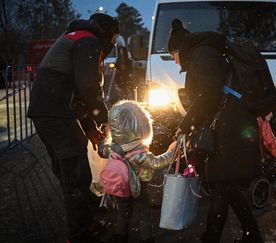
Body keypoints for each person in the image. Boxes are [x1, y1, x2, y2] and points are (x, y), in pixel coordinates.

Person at [168, 19, 264, 243]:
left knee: (221, 184)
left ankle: (212, 238)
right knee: (226, 185)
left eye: (173, 56)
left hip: (229, 129)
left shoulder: (202, 55)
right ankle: (252, 235)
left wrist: (184, 126)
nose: (174, 62)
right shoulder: (206, 52)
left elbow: (209, 96)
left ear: (178, 50)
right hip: (230, 126)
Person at [27, 13, 119, 242]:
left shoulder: (76, 37)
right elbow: (88, 88)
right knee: (76, 176)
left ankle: (85, 220)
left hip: (49, 111)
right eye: (115, 37)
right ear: (108, 33)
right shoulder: (89, 40)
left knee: (71, 172)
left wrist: (90, 129)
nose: (114, 43)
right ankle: (79, 234)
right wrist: (106, 119)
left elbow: (77, 93)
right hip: (56, 113)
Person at [99, 100, 176, 243]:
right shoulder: (137, 152)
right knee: (144, 212)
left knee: (123, 212)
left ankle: (120, 236)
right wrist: (172, 152)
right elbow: (157, 162)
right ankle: (146, 238)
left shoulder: (112, 146)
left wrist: (104, 138)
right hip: (137, 187)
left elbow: (101, 150)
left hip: (119, 187)